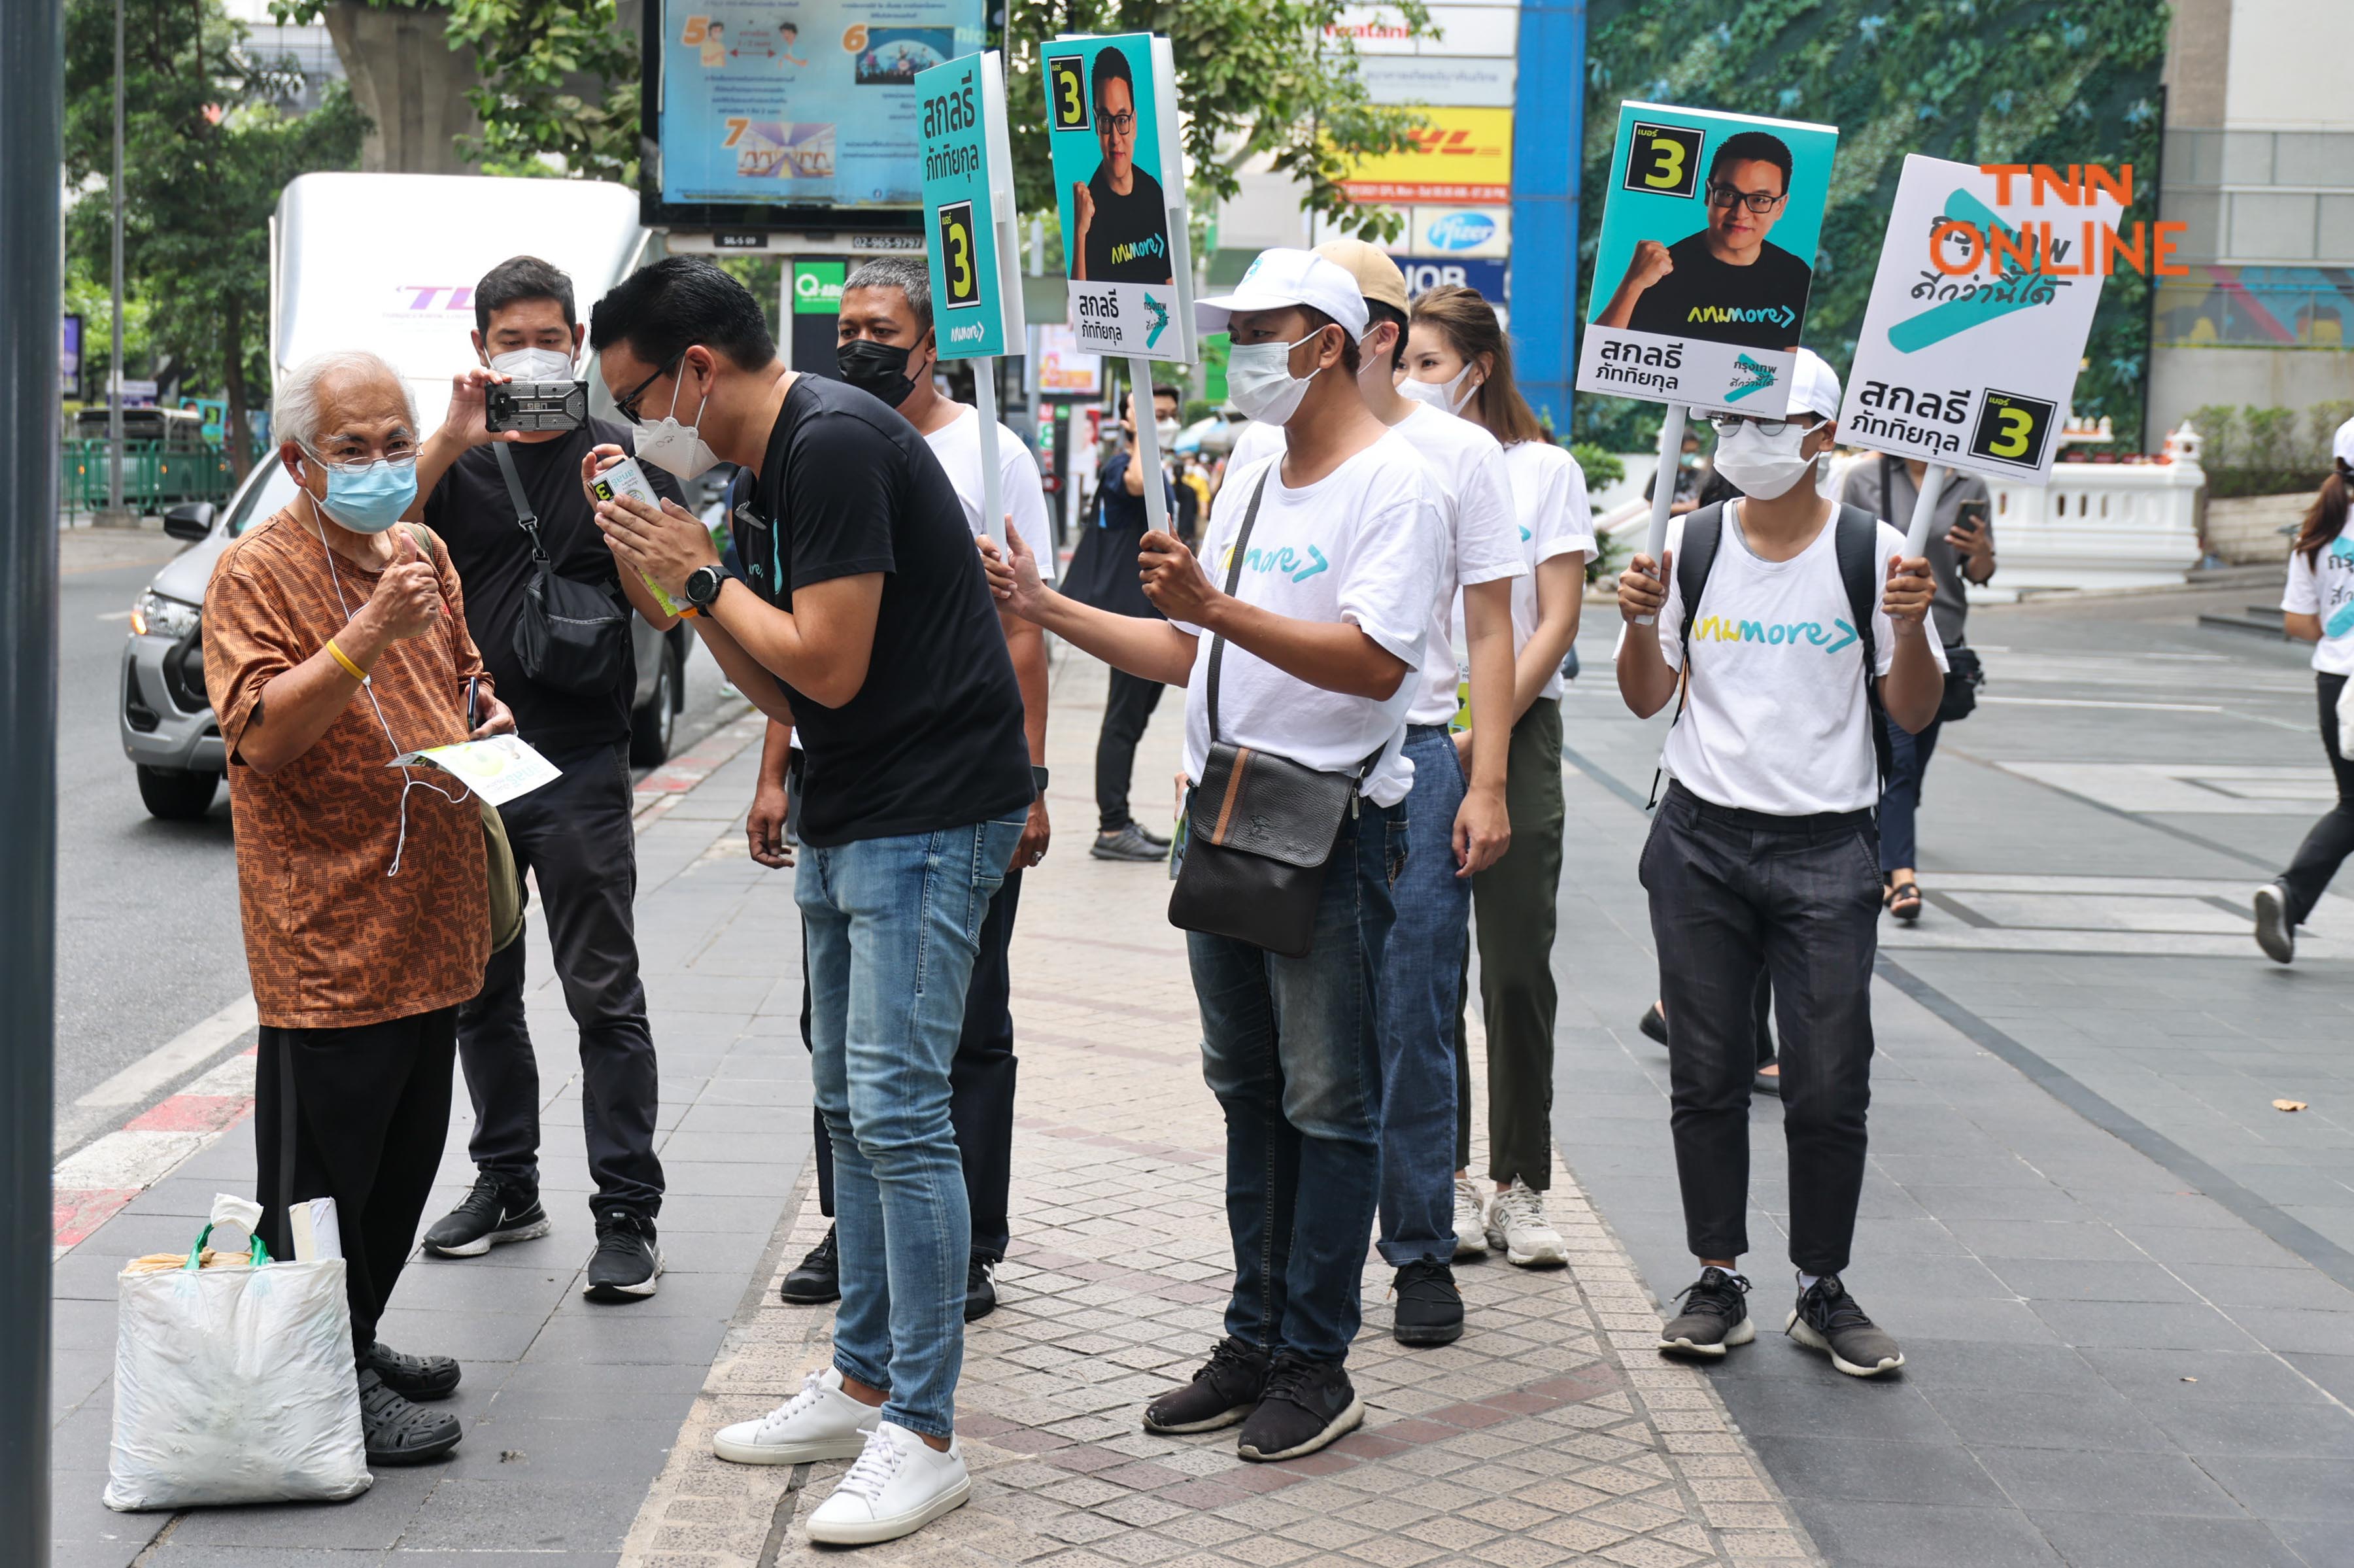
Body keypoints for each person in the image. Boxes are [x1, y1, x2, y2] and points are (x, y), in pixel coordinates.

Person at [585, 257, 1032, 1544]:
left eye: (640, 396)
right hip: (857, 801)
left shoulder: (830, 442)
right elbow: (780, 692)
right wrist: (666, 571)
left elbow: (824, 662)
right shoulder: (767, 468)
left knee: (901, 1108)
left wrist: (707, 576)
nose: (638, 425)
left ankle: (925, 1430)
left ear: (700, 369)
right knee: (850, 1098)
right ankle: (859, 1378)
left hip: (932, 809)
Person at [983, 248, 1446, 1459]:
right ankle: (1252, 1334)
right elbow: (1196, 655)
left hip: (1336, 827)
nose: (1243, 351)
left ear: (1334, 340)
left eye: (1265, 329)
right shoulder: (1247, 465)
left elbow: (1376, 664)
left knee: (1329, 1100)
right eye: (1234, 328)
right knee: (1248, 1091)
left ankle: (1315, 1357)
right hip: (1228, 811)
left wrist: (1213, 604)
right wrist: (1048, 609)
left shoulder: (1400, 483)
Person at [203, 349, 521, 1465]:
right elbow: (262, 735)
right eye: (356, 449)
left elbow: (469, 675)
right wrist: (362, 635)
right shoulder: (256, 572)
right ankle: (312, 1372)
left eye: (399, 442)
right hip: (326, 930)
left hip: (431, 916)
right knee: (318, 1178)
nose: (386, 464)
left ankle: (358, 1331)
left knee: (403, 1158)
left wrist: (488, 716)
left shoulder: (425, 549)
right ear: (300, 462)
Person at [1614, 349, 1943, 1380]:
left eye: (1767, 422)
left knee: (1830, 1079)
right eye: (1729, 419)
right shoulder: (1687, 545)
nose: (1741, 439)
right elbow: (1643, 695)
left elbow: (1911, 711)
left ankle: (1823, 1286)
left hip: (1827, 849)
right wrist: (1634, 619)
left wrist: (1914, 625)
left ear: (1820, 437)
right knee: (1707, 1074)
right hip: (1701, 839)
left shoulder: (1875, 551)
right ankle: (1717, 1277)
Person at [1226, 243, 1520, 1346]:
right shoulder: (1267, 454)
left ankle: (1421, 1250)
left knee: (1413, 1015)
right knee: (1287, 1047)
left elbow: (1490, 622)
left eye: (1278, 328)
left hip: (1417, 755)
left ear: (1365, 332)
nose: (1257, 353)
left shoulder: (1454, 453)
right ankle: (1293, 1291)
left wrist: (1486, 778)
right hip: (1283, 771)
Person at [762, 254, 1053, 1320]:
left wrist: (1031, 780)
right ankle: (858, 1226)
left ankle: (967, 1240)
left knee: (966, 1020)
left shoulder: (995, 454)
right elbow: (798, 633)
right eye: (847, 328)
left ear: (932, 342)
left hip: (962, 784)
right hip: (847, 787)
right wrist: (770, 772)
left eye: (882, 328)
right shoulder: (814, 445)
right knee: (837, 1033)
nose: (859, 345)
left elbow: (1027, 626)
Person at [404, 256, 681, 1301]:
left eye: (550, 336)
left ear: (577, 343)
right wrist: (448, 436)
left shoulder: (610, 457)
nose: (534, 353)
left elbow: (664, 609)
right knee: (483, 987)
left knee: (603, 990)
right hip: (477, 755)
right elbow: (368, 543)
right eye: (511, 337)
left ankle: (627, 1215)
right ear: (481, 350)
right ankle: (507, 1183)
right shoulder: (456, 463)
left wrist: (627, 514)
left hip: (582, 758)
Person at [1401, 286, 1599, 1271]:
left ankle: (1521, 1181)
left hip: (1514, 730)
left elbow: (1554, 616)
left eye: (1430, 364)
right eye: (1404, 364)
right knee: (1429, 972)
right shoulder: (1401, 459)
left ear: (1480, 368)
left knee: (1515, 966)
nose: (1412, 383)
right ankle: (1445, 1176)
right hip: (1421, 734)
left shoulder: (1542, 470)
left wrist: (1491, 728)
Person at [1840, 454, 1995, 920]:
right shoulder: (1864, 478)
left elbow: (1980, 573)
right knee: (1901, 760)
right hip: (1881, 637)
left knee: (1913, 764)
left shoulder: (1970, 483)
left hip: (1943, 638)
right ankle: (1900, 876)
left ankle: (1883, 836)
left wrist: (1982, 549)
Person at [1064, 386, 1181, 861]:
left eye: (1169, 415)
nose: (1165, 422)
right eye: (1154, 414)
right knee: (1121, 721)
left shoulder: (1159, 466)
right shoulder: (1123, 465)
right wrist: (1141, 428)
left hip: (1154, 612)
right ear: (1130, 420)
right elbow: (1135, 481)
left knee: (1131, 723)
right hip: (1130, 614)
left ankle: (1120, 820)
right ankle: (1112, 828)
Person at [2255, 418, 2354, 963]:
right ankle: (2289, 895)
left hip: (2335, 681)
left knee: (2353, 803)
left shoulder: (2317, 533)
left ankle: (2288, 898)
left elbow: (2300, 622)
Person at [1598, 130, 1812, 352]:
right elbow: (1598, 359)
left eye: (1759, 200)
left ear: (1780, 207)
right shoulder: (1657, 271)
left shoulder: (1796, 276)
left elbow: (1789, 369)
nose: (1740, 213)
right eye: (1728, 194)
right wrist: (1633, 285)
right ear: (1708, 194)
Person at [1069, 46, 1170, 284]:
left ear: (1134, 123)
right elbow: (1083, 305)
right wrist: (1080, 233)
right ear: (1096, 124)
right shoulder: (1088, 208)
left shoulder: (1154, 192)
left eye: (1122, 120)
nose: (1115, 138)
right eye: (1106, 120)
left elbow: (1170, 282)